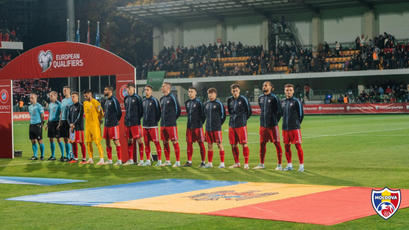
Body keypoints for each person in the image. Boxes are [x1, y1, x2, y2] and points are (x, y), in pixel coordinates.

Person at [254, 81, 283, 170]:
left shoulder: (274, 98)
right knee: (262, 144)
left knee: (277, 144)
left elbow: (279, 112)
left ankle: (279, 165)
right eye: (263, 85)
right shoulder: (260, 98)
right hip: (263, 125)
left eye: (266, 85)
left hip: (272, 126)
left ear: (271, 87)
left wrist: (274, 121)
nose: (264, 87)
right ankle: (261, 164)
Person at [227, 84, 252, 169]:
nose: (235, 92)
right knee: (233, 145)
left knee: (244, 144)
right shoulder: (229, 100)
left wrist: (243, 120)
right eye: (233, 91)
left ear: (239, 91)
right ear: (231, 91)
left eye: (236, 90)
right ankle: (237, 163)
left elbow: (249, 111)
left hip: (241, 125)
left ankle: (246, 163)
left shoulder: (243, 99)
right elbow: (230, 112)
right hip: (232, 125)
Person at [281, 84, 305, 172]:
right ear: (284, 91)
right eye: (287, 90)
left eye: (290, 90)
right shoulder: (282, 101)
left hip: (295, 128)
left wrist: (297, 124)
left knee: (298, 146)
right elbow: (281, 114)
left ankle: (301, 165)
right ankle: (289, 165)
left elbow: (301, 114)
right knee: (287, 147)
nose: (288, 92)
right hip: (285, 129)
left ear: (293, 91)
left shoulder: (296, 101)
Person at [159, 82, 181, 167]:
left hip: (171, 124)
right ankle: (167, 161)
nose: (162, 87)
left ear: (168, 87)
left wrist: (172, 119)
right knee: (165, 142)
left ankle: (177, 162)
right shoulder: (162, 99)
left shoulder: (173, 97)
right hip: (163, 124)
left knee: (174, 141)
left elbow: (178, 110)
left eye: (163, 86)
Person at [203, 88, 226, 168]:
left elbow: (223, 116)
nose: (210, 95)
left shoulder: (219, 103)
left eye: (212, 93)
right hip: (208, 128)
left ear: (215, 94)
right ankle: (210, 163)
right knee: (209, 145)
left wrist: (218, 124)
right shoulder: (206, 104)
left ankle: (222, 163)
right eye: (209, 93)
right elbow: (205, 115)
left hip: (216, 128)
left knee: (219, 144)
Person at [184, 86, 206, 167]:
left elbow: (203, 115)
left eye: (191, 91)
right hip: (189, 127)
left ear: (195, 93)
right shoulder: (187, 102)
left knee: (201, 144)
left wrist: (199, 124)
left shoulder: (199, 102)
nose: (190, 93)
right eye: (189, 91)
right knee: (189, 144)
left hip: (198, 127)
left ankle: (203, 162)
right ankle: (189, 161)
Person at [123, 83, 144, 166]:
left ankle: (141, 160)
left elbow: (141, 111)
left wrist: (137, 119)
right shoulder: (126, 98)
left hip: (136, 123)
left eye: (129, 88)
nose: (128, 90)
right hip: (128, 123)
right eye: (127, 89)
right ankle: (131, 159)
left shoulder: (137, 98)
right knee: (129, 141)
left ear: (134, 89)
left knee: (139, 140)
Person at [142, 85, 162, 166]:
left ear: (151, 91)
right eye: (145, 90)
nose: (146, 91)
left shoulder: (155, 100)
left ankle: (159, 161)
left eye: (148, 90)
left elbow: (158, 113)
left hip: (153, 126)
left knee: (156, 142)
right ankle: (148, 160)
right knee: (146, 143)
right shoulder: (143, 101)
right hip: (145, 125)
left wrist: (155, 121)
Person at [83, 90, 105, 165]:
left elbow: (101, 112)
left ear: (90, 94)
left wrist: (99, 120)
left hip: (95, 125)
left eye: (86, 95)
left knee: (97, 142)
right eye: (84, 96)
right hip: (87, 125)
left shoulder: (96, 102)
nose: (85, 97)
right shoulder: (85, 103)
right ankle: (90, 158)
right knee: (88, 142)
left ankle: (102, 159)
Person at [103, 86, 123, 165]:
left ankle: (119, 160)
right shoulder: (106, 100)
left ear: (110, 91)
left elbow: (119, 112)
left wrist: (115, 121)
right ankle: (110, 160)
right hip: (106, 125)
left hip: (113, 124)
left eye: (105, 90)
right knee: (107, 142)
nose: (104, 91)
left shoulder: (114, 100)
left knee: (116, 142)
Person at [67, 92, 87, 163]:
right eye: (72, 97)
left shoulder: (81, 106)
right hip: (72, 128)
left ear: (77, 97)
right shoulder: (70, 107)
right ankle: (75, 158)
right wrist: (70, 124)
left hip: (79, 128)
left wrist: (74, 124)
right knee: (73, 143)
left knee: (81, 143)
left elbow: (79, 116)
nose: (72, 98)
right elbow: (68, 117)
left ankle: (84, 159)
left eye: (74, 96)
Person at [44, 91, 64, 161]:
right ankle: (53, 156)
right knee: (51, 139)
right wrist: (47, 124)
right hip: (50, 123)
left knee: (59, 139)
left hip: (56, 123)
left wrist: (60, 123)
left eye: (52, 96)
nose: (50, 97)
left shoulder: (59, 104)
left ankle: (63, 155)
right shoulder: (50, 104)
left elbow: (61, 114)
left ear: (56, 96)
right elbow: (50, 114)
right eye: (50, 95)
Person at [28, 93, 45, 160]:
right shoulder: (29, 107)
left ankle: (42, 155)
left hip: (38, 125)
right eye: (30, 98)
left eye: (32, 98)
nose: (31, 99)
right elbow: (31, 115)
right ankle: (35, 155)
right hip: (31, 125)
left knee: (40, 140)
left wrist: (41, 123)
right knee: (33, 141)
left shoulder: (39, 106)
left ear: (36, 98)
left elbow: (42, 115)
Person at [59, 86, 73, 162]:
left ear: (69, 91)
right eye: (63, 90)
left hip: (69, 121)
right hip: (63, 121)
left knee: (69, 139)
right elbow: (61, 112)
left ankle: (72, 155)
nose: (64, 91)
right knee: (65, 139)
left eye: (65, 90)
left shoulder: (72, 99)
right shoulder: (63, 100)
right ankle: (67, 155)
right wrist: (60, 122)